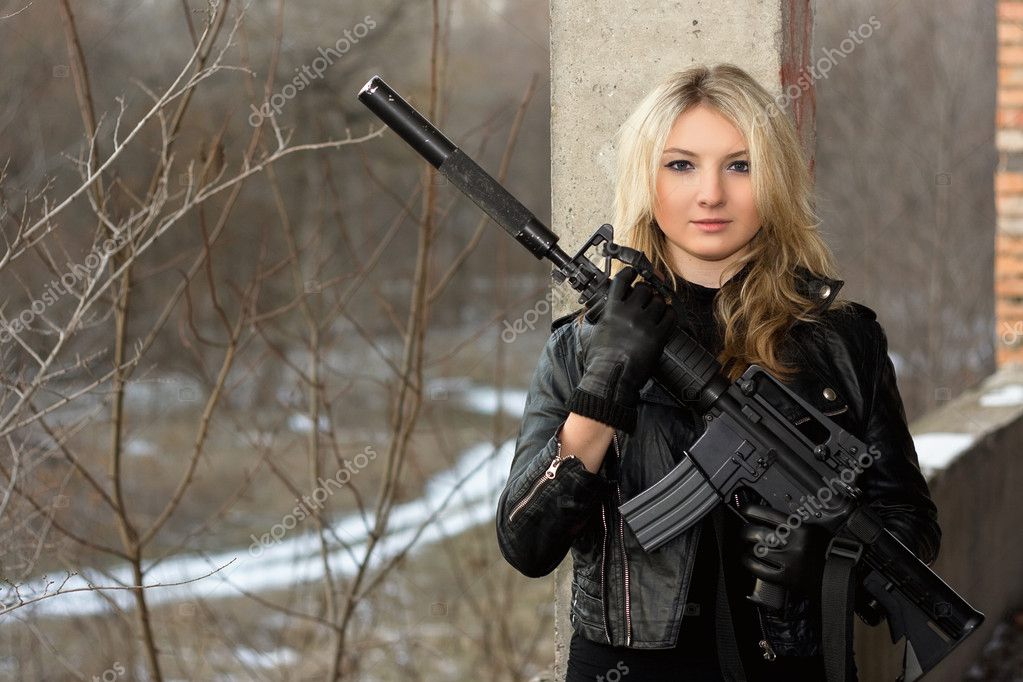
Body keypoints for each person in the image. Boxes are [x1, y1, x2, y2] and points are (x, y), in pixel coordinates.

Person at [495, 63, 941, 682]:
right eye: (681, 165)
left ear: (776, 178)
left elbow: (910, 528)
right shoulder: (580, 347)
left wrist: (831, 560)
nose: (710, 194)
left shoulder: (841, 339)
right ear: (646, 181)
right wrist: (604, 387)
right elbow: (526, 545)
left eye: (740, 164)